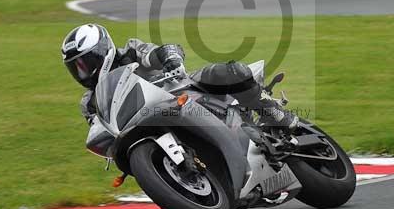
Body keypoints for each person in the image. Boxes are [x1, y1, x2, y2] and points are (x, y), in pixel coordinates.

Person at [61, 23, 298, 135]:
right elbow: (102, 130)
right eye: (76, 68)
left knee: (230, 71)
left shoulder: (131, 52)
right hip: (149, 127)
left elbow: (160, 51)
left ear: (103, 50)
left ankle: (274, 113)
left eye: (85, 63)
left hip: (181, 91)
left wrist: (171, 60)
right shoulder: (89, 103)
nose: (82, 72)